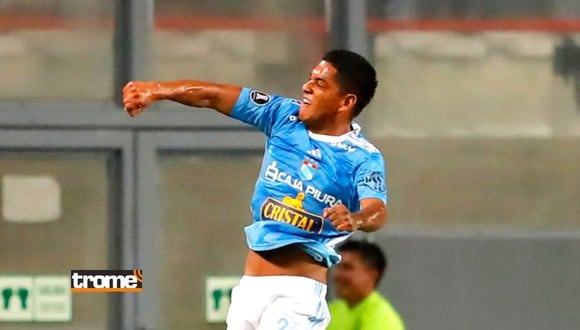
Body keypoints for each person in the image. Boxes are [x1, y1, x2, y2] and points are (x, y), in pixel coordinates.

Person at [122, 49, 388, 329]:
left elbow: (377, 210)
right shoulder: (283, 116)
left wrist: (356, 218)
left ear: (346, 102)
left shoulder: (362, 157)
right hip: (249, 290)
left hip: (296, 296)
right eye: (310, 79)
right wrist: (157, 90)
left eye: (320, 84)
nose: (306, 87)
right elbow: (213, 95)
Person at [328, 240, 405, 330]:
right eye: (337, 267)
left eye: (347, 268)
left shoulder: (381, 318)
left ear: (372, 275)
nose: (337, 275)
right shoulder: (331, 310)